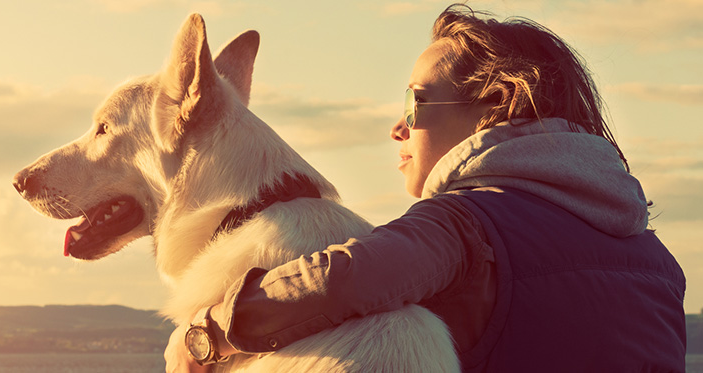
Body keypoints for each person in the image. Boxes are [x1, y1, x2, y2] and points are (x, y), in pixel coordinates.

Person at [166, 4, 687, 372]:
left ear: (497, 103)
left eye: (416, 101)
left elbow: (342, 278)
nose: (398, 127)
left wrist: (210, 331)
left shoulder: (463, 225)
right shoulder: (657, 260)